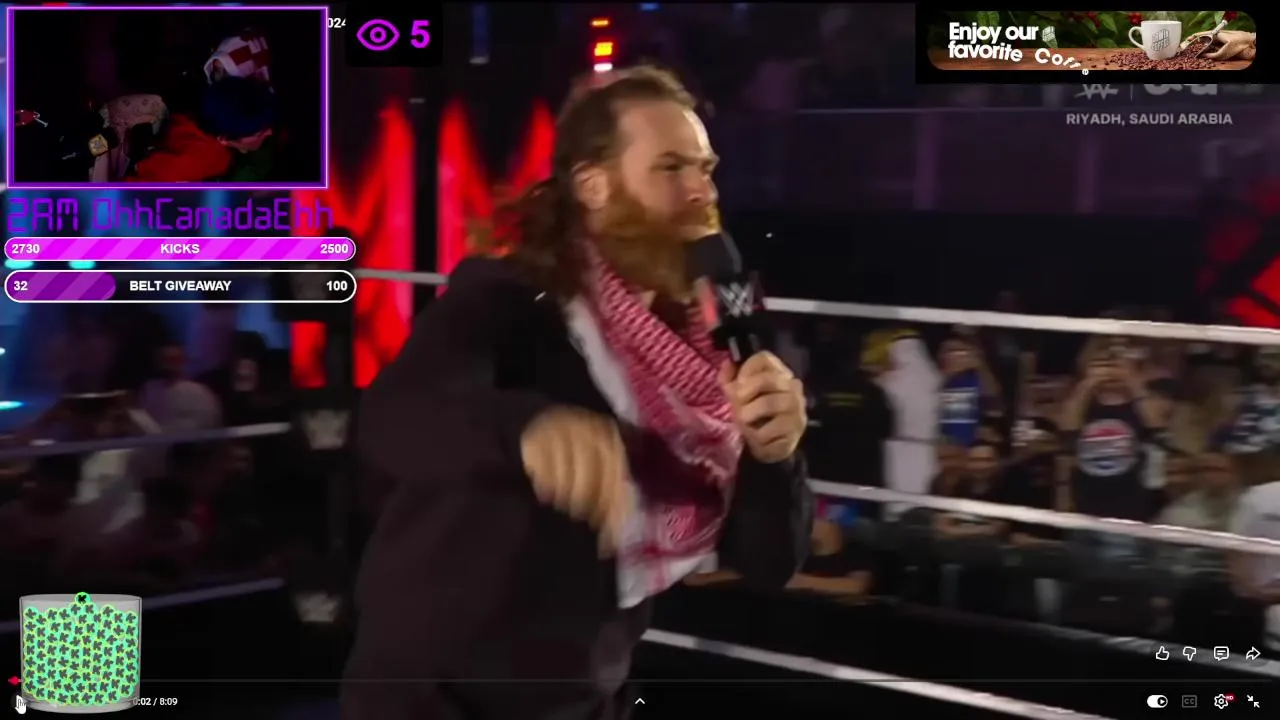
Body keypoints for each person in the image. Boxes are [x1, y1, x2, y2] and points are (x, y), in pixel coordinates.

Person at [343, 66, 812, 720]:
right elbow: (397, 414)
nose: (702, 191)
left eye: (706, 169)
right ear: (594, 185)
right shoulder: (511, 297)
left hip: (585, 695)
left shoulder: (714, 345)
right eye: (671, 168)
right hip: (438, 695)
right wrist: (527, 431)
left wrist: (775, 455)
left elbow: (768, 562)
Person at [127, 76, 278, 183]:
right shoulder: (205, 160)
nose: (270, 132)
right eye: (259, 132)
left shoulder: (202, 109)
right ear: (224, 139)